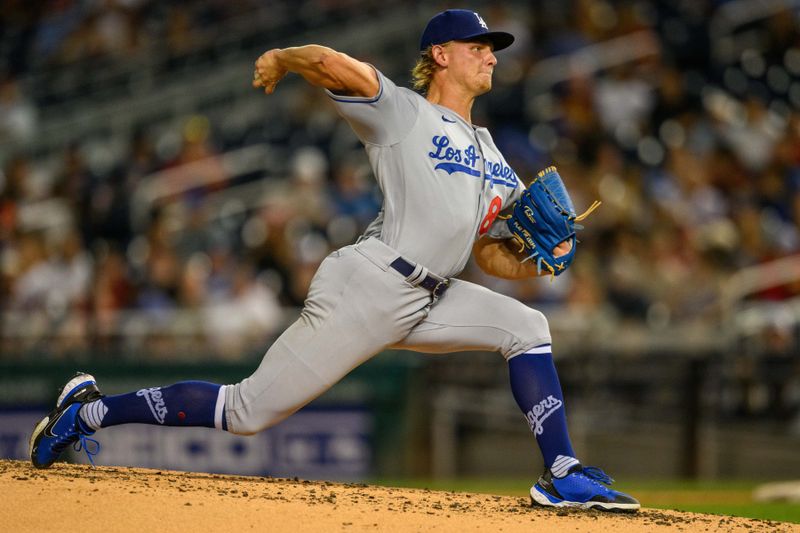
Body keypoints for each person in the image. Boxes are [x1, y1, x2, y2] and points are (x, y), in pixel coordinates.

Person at [29, 9, 640, 512]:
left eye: (493, 48)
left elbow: (486, 253)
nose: (491, 55)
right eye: (477, 45)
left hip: (432, 295)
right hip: (372, 285)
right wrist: (283, 59)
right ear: (440, 55)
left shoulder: (492, 154)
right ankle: (86, 413)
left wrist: (539, 261)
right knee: (245, 412)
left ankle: (561, 473)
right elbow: (327, 62)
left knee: (528, 327)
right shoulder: (404, 112)